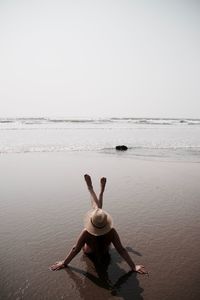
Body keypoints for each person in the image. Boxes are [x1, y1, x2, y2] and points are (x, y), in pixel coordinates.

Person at [50, 174, 147, 275]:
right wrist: (133, 266)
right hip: (105, 252)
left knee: (97, 209)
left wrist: (65, 263)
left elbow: (76, 249)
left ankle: (91, 189)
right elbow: (121, 250)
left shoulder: (86, 232)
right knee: (98, 210)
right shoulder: (112, 231)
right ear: (106, 223)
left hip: (90, 252)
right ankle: (99, 191)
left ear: (91, 222)